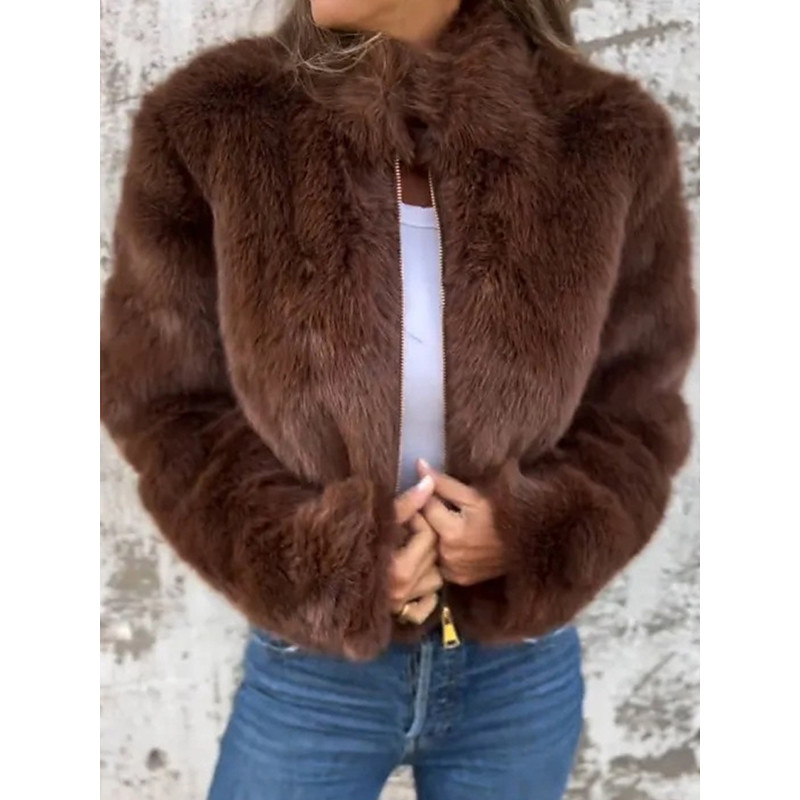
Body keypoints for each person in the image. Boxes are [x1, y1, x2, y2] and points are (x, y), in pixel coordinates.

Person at [100, 0, 697, 797]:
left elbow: (638, 408)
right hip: (314, 671)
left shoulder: (607, 135)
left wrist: (529, 533)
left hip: (517, 672)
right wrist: (323, 567)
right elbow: (164, 403)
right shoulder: (213, 121)